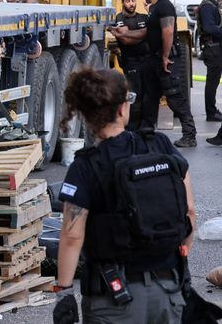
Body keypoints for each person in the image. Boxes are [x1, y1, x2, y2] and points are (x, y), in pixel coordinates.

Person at [53, 67, 194, 324]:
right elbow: (189, 211)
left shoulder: (84, 166)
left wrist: (63, 292)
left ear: (86, 115)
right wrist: (180, 262)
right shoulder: (159, 145)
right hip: (169, 291)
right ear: (122, 109)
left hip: (113, 299)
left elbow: (72, 235)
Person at [135, 0, 195, 146]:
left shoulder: (164, 6)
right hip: (154, 59)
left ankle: (190, 135)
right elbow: (149, 32)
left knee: (174, 97)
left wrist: (165, 56)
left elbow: (168, 31)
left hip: (166, 59)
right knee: (150, 96)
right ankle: (146, 132)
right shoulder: (155, 8)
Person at [109, 0, 149, 106]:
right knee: (135, 94)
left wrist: (130, 33)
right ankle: (132, 123)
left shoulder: (143, 17)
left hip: (146, 60)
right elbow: (125, 40)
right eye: (128, 1)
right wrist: (145, 34)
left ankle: (146, 123)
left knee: (147, 93)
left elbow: (126, 35)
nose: (131, 4)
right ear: (123, 3)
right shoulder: (120, 18)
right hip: (131, 61)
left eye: (133, 0)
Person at [197, 0, 222, 123]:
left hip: (216, 48)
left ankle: (212, 111)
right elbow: (208, 28)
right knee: (212, 81)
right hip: (212, 49)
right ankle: (211, 112)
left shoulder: (213, 5)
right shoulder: (207, 6)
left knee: (214, 81)